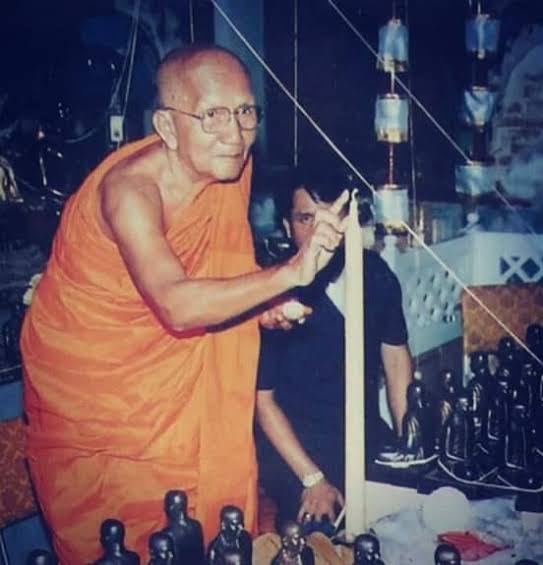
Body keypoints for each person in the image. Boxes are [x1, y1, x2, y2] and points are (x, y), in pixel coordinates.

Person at [20, 44, 348, 563]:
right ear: (167, 128)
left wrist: (262, 306)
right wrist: (290, 271)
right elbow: (176, 303)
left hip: (184, 400)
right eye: (212, 115)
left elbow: (218, 273)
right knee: (125, 546)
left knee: (213, 537)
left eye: (245, 112)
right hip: (105, 414)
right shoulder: (129, 190)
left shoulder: (228, 172)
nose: (234, 134)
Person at [256, 168, 413, 526]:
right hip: (296, 450)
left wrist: (409, 445)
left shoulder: (375, 274)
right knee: (327, 531)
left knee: (411, 515)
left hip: (364, 436)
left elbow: (396, 363)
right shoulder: (273, 292)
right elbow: (263, 403)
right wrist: (313, 480)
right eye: (306, 219)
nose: (319, 232)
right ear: (287, 226)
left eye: (330, 218)